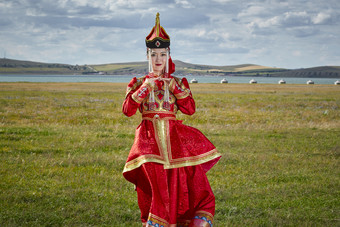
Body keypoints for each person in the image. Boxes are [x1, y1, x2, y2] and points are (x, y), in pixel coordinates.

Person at [122, 13, 221, 227]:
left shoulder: (178, 82)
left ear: (168, 55)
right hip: (148, 143)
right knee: (157, 189)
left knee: (185, 184)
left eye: (162, 54)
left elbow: (190, 109)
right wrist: (144, 89)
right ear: (147, 55)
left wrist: (175, 88)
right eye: (154, 54)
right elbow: (128, 110)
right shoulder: (138, 82)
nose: (158, 60)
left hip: (176, 142)